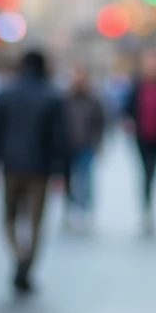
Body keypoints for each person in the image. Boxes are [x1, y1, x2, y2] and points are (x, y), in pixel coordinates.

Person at [0, 50, 68, 293]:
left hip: (11, 165)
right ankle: (27, 262)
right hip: (40, 168)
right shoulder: (52, 96)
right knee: (35, 221)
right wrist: (62, 171)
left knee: (8, 217)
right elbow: (59, 138)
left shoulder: (6, 93)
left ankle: (18, 254)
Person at [123, 50, 156, 237]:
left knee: (152, 172)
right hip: (142, 137)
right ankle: (146, 209)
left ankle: (149, 207)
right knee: (145, 173)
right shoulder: (138, 87)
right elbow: (128, 109)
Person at [63, 65, 106, 233]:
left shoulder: (93, 100)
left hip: (86, 145)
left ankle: (85, 211)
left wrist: (97, 143)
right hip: (68, 146)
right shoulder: (65, 99)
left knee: (86, 178)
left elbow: (100, 123)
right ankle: (69, 210)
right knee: (69, 179)